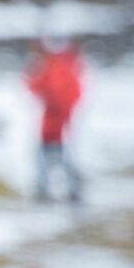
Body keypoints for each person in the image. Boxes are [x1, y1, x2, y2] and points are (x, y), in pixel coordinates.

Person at [25, 36, 83, 202]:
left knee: (66, 157)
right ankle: (44, 190)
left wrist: (62, 107)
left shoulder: (65, 65)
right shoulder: (48, 64)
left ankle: (73, 190)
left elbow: (73, 93)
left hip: (62, 123)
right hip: (49, 123)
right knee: (44, 157)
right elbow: (34, 86)